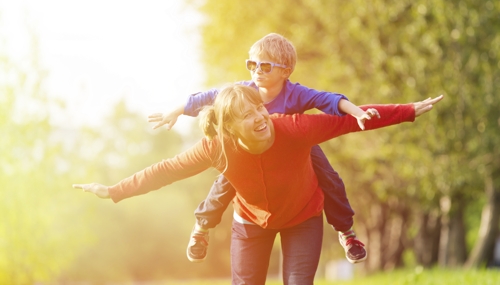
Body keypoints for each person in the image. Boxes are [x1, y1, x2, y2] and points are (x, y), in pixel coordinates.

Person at [74, 84, 443, 285]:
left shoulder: (293, 128)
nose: (260, 117)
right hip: (250, 225)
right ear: (230, 127)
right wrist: (115, 190)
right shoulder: (217, 147)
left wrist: (409, 110)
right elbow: (165, 170)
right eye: (248, 115)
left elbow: (354, 120)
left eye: (259, 109)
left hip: (303, 217)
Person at [148, 33, 376, 264]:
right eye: (252, 64)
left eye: (265, 66)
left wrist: (358, 112)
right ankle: (201, 228)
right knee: (224, 184)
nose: (257, 71)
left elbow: (328, 100)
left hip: (294, 146)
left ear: (285, 71)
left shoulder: (296, 93)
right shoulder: (243, 91)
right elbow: (206, 98)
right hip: (250, 150)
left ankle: (346, 233)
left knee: (329, 177)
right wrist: (175, 111)